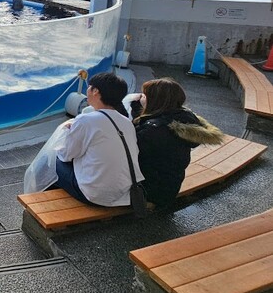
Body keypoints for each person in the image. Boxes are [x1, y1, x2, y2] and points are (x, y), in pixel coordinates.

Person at [51, 72, 143, 206]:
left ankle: (49, 203)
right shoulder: (126, 122)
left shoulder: (85, 120)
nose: (87, 90)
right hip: (124, 193)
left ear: (95, 91)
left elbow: (66, 155)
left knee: (51, 161)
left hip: (95, 195)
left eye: (89, 87)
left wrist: (68, 134)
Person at [134, 78, 224, 208]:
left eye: (144, 95)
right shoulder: (183, 120)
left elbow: (130, 151)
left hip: (149, 192)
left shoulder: (154, 130)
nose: (140, 96)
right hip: (169, 187)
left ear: (155, 101)